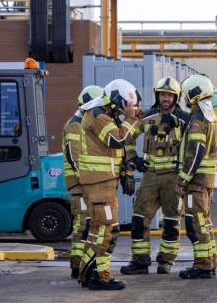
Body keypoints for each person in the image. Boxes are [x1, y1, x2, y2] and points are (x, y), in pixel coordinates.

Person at [120, 77, 190, 275]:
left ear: (176, 97)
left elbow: (192, 147)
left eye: (169, 94)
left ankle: (166, 261)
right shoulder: (147, 116)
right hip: (150, 176)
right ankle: (140, 262)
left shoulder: (185, 120)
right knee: (139, 218)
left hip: (173, 178)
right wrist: (134, 159)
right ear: (157, 96)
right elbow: (128, 137)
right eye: (162, 94)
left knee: (171, 221)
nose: (165, 98)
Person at [76, 79, 141, 290]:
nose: (128, 109)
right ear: (117, 101)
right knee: (107, 230)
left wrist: (125, 173)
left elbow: (113, 152)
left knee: (98, 230)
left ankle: (86, 273)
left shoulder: (103, 114)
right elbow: (117, 141)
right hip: (99, 184)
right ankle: (100, 277)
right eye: (126, 104)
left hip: (103, 183)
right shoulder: (98, 116)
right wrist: (131, 119)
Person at [175, 75, 217, 279]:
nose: (184, 98)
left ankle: (202, 266)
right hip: (205, 181)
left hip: (196, 182)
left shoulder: (198, 120)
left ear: (194, 94)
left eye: (186, 94)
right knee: (204, 221)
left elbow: (195, 152)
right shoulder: (209, 115)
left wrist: (183, 179)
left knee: (195, 223)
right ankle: (210, 262)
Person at [62, 85, 104, 280]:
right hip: (80, 185)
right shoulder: (75, 124)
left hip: (86, 183)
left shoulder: (85, 123)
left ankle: (81, 264)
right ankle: (77, 265)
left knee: (89, 223)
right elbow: (73, 155)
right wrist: (85, 179)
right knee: (82, 224)